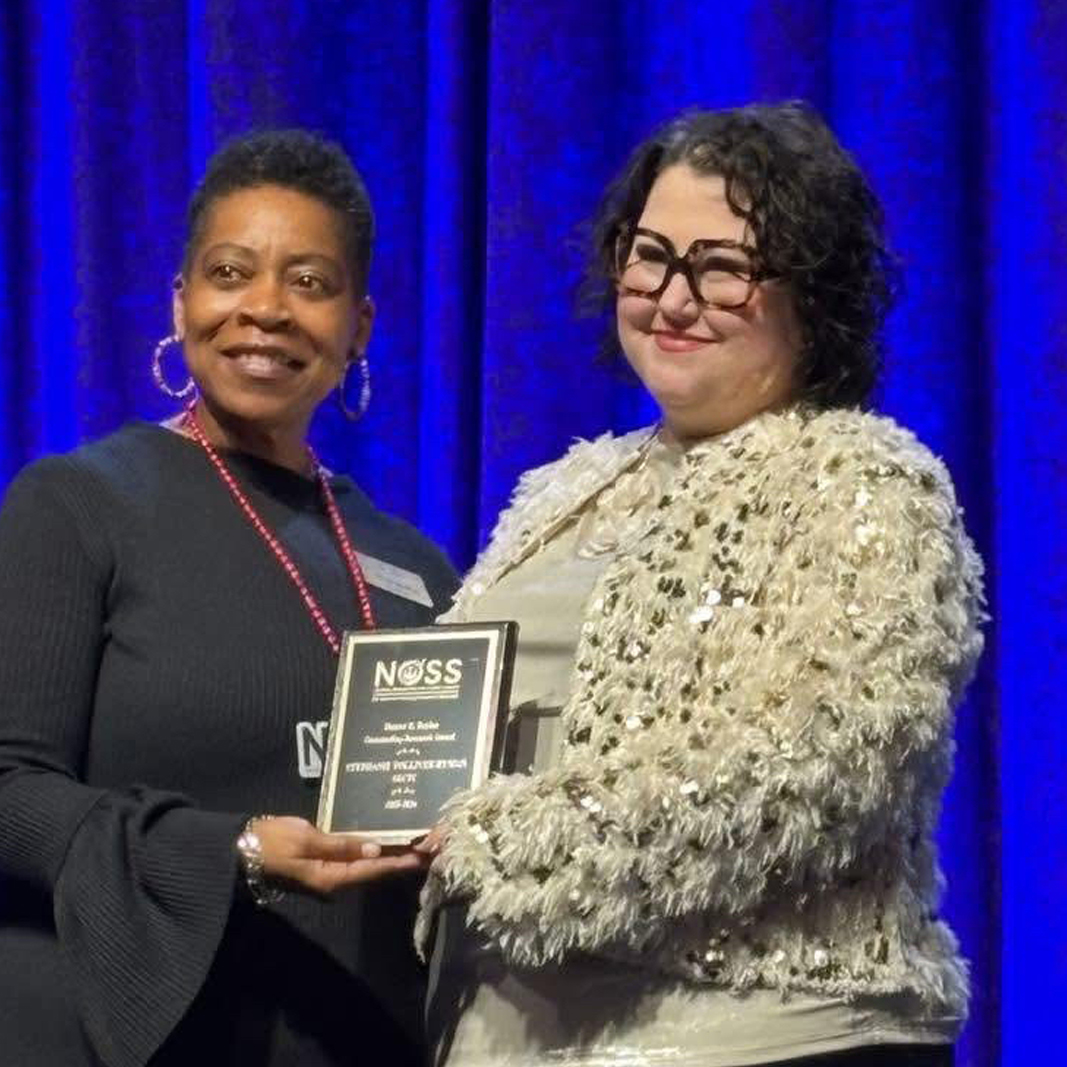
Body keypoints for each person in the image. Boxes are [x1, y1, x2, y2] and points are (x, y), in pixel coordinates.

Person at [417, 103, 985, 1067]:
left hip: (767, 1037)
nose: (673, 298)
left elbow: (815, 770)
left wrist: (503, 847)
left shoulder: (869, 482)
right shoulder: (563, 487)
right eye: (651, 255)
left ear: (813, 291)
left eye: (721, 267)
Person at [0, 130, 458, 1067]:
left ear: (360, 324)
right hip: (137, 1031)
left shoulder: (413, 561)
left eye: (309, 282)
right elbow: (8, 792)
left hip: (359, 1034)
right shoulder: (79, 505)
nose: (265, 309)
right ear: (181, 299)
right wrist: (230, 850)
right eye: (230, 271)